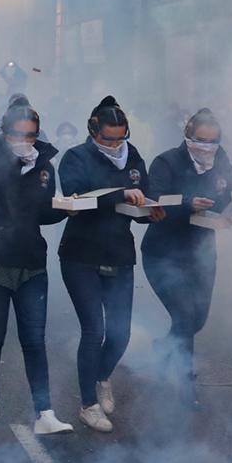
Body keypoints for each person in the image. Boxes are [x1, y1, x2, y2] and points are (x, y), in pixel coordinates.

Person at [0, 99, 70, 433]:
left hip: (32, 264)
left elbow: (43, 214)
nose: (25, 140)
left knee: (34, 340)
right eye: (18, 134)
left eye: (31, 135)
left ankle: (45, 412)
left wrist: (67, 209)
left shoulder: (43, 167)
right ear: (5, 132)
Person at [57, 96, 161, 432]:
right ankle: (87, 404)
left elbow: (141, 198)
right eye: (108, 139)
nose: (115, 145)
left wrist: (152, 213)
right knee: (94, 330)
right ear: (93, 131)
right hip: (81, 254)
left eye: (120, 138)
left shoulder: (133, 157)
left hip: (119, 252)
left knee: (121, 332)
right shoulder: (75, 157)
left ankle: (102, 376)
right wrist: (119, 194)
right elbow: (76, 197)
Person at [142, 108, 232, 410]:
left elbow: (230, 195)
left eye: (214, 141)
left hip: (202, 251)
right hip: (163, 253)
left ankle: (163, 348)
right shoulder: (166, 161)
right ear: (188, 137)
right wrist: (187, 204)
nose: (208, 147)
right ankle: (185, 387)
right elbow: (154, 200)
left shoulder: (221, 161)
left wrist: (229, 212)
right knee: (183, 316)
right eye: (202, 140)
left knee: (198, 319)